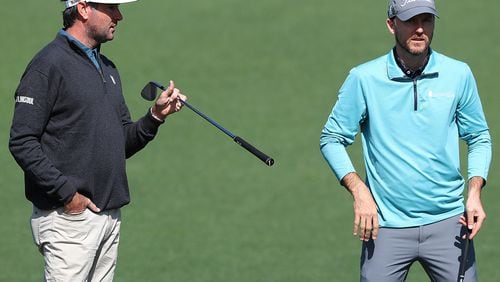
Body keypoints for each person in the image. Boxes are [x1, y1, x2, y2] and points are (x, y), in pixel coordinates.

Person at [9, 0, 186, 280]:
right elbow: (22, 141)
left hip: (108, 217)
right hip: (69, 220)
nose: (120, 16)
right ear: (83, 9)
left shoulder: (108, 68)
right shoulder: (47, 65)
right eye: (111, 8)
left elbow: (121, 141)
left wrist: (155, 116)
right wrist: (68, 195)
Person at [319, 0, 491, 281]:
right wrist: (359, 192)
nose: (420, 29)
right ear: (391, 25)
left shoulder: (458, 74)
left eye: (427, 20)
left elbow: (479, 136)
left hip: (449, 223)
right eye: (411, 21)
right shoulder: (364, 79)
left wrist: (474, 192)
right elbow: (331, 138)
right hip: (386, 227)